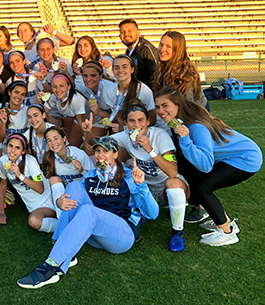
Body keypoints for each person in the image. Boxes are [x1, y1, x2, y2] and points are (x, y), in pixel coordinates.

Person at [17, 136, 158, 289]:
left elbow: (153, 214)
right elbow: (75, 201)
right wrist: (59, 202)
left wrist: (142, 186)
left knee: (88, 211)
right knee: (73, 187)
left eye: (106, 151)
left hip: (121, 235)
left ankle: (51, 267)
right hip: (94, 234)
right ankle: (64, 251)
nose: (100, 155)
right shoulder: (91, 175)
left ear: (116, 154)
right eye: (97, 151)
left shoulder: (129, 176)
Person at [155, 87, 262, 246]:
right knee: (195, 184)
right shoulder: (180, 122)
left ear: (178, 105)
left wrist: (185, 140)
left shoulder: (196, 127)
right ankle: (226, 221)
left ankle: (227, 232)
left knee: (202, 188)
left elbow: (205, 165)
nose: (160, 111)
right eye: (157, 107)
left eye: (165, 105)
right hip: (230, 157)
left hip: (246, 158)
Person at [111, 104, 189, 252]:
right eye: (132, 121)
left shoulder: (160, 136)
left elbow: (172, 171)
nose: (136, 125)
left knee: (174, 185)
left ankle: (177, 232)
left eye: (141, 120)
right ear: (126, 124)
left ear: (148, 121)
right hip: (144, 187)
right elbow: (100, 144)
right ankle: (136, 216)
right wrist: (88, 133)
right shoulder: (126, 136)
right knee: (123, 176)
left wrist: (150, 150)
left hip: (164, 186)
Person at [0, 134, 57, 232]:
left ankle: (65, 224)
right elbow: (3, 183)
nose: (12, 151)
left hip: (50, 197)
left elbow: (40, 189)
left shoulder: (30, 161)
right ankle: (63, 226)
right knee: (33, 221)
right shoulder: (3, 161)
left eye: (17, 148)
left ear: (23, 151)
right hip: (36, 206)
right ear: (6, 146)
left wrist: (20, 175)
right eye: (10, 146)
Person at [41, 126, 94, 218]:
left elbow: (94, 179)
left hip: (85, 192)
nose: (53, 143)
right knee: (54, 179)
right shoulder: (49, 158)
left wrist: (82, 170)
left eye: (56, 138)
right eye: (49, 140)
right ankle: (61, 216)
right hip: (66, 195)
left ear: (64, 138)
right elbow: (51, 185)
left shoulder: (78, 154)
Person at [98, 55, 157, 133]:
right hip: (125, 131)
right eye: (116, 68)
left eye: (124, 67)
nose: (120, 70)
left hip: (144, 132)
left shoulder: (143, 90)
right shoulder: (110, 91)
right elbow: (118, 116)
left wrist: (126, 129)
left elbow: (152, 120)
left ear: (132, 69)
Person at [153, 31, 208, 109]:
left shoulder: (186, 75)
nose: (162, 49)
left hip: (195, 112)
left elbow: (189, 107)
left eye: (168, 46)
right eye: (161, 45)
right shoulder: (161, 68)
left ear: (178, 50)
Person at [40, 73, 86, 147]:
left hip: (88, 121)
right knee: (63, 142)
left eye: (61, 86)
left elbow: (81, 122)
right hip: (71, 118)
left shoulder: (76, 99)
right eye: (54, 87)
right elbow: (41, 113)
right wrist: (39, 101)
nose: (58, 90)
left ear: (69, 87)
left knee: (71, 146)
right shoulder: (54, 97)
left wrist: (85, 140)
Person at [118, 19, 159, 89]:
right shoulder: (128, 52)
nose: (126, 34)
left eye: (130, 31)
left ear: (138, 32)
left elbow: (156, 75)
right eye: (123, 32)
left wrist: (140, 90)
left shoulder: (146, 49)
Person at [0, 81, 29, 145]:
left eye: (23, 94)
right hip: (7, 150)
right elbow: (0, 139)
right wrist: (3, 123)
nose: (19, 97)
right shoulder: (0, 110)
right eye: (16, 92)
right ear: (9, 92)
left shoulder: (27, 111)